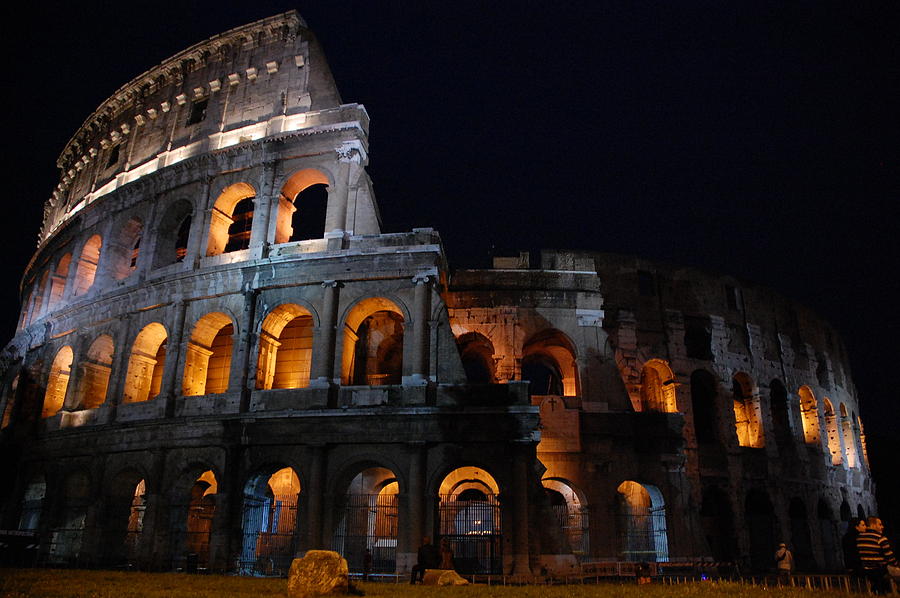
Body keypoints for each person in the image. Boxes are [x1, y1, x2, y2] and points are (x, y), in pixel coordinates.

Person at [857, 517, 898, 595]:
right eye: (880, 524)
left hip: (866, 569)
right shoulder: (880, 538)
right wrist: (896, 564)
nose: (882, 527)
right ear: (872, 525)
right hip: (880, 569)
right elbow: (890, 558)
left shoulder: (859, 538)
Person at [842, 517, 866, 584]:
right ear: (856, 527)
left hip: (850, 565)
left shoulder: (845, 537)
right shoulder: (860, 537)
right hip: (859, 565)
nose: (865, 527)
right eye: (863, 525)